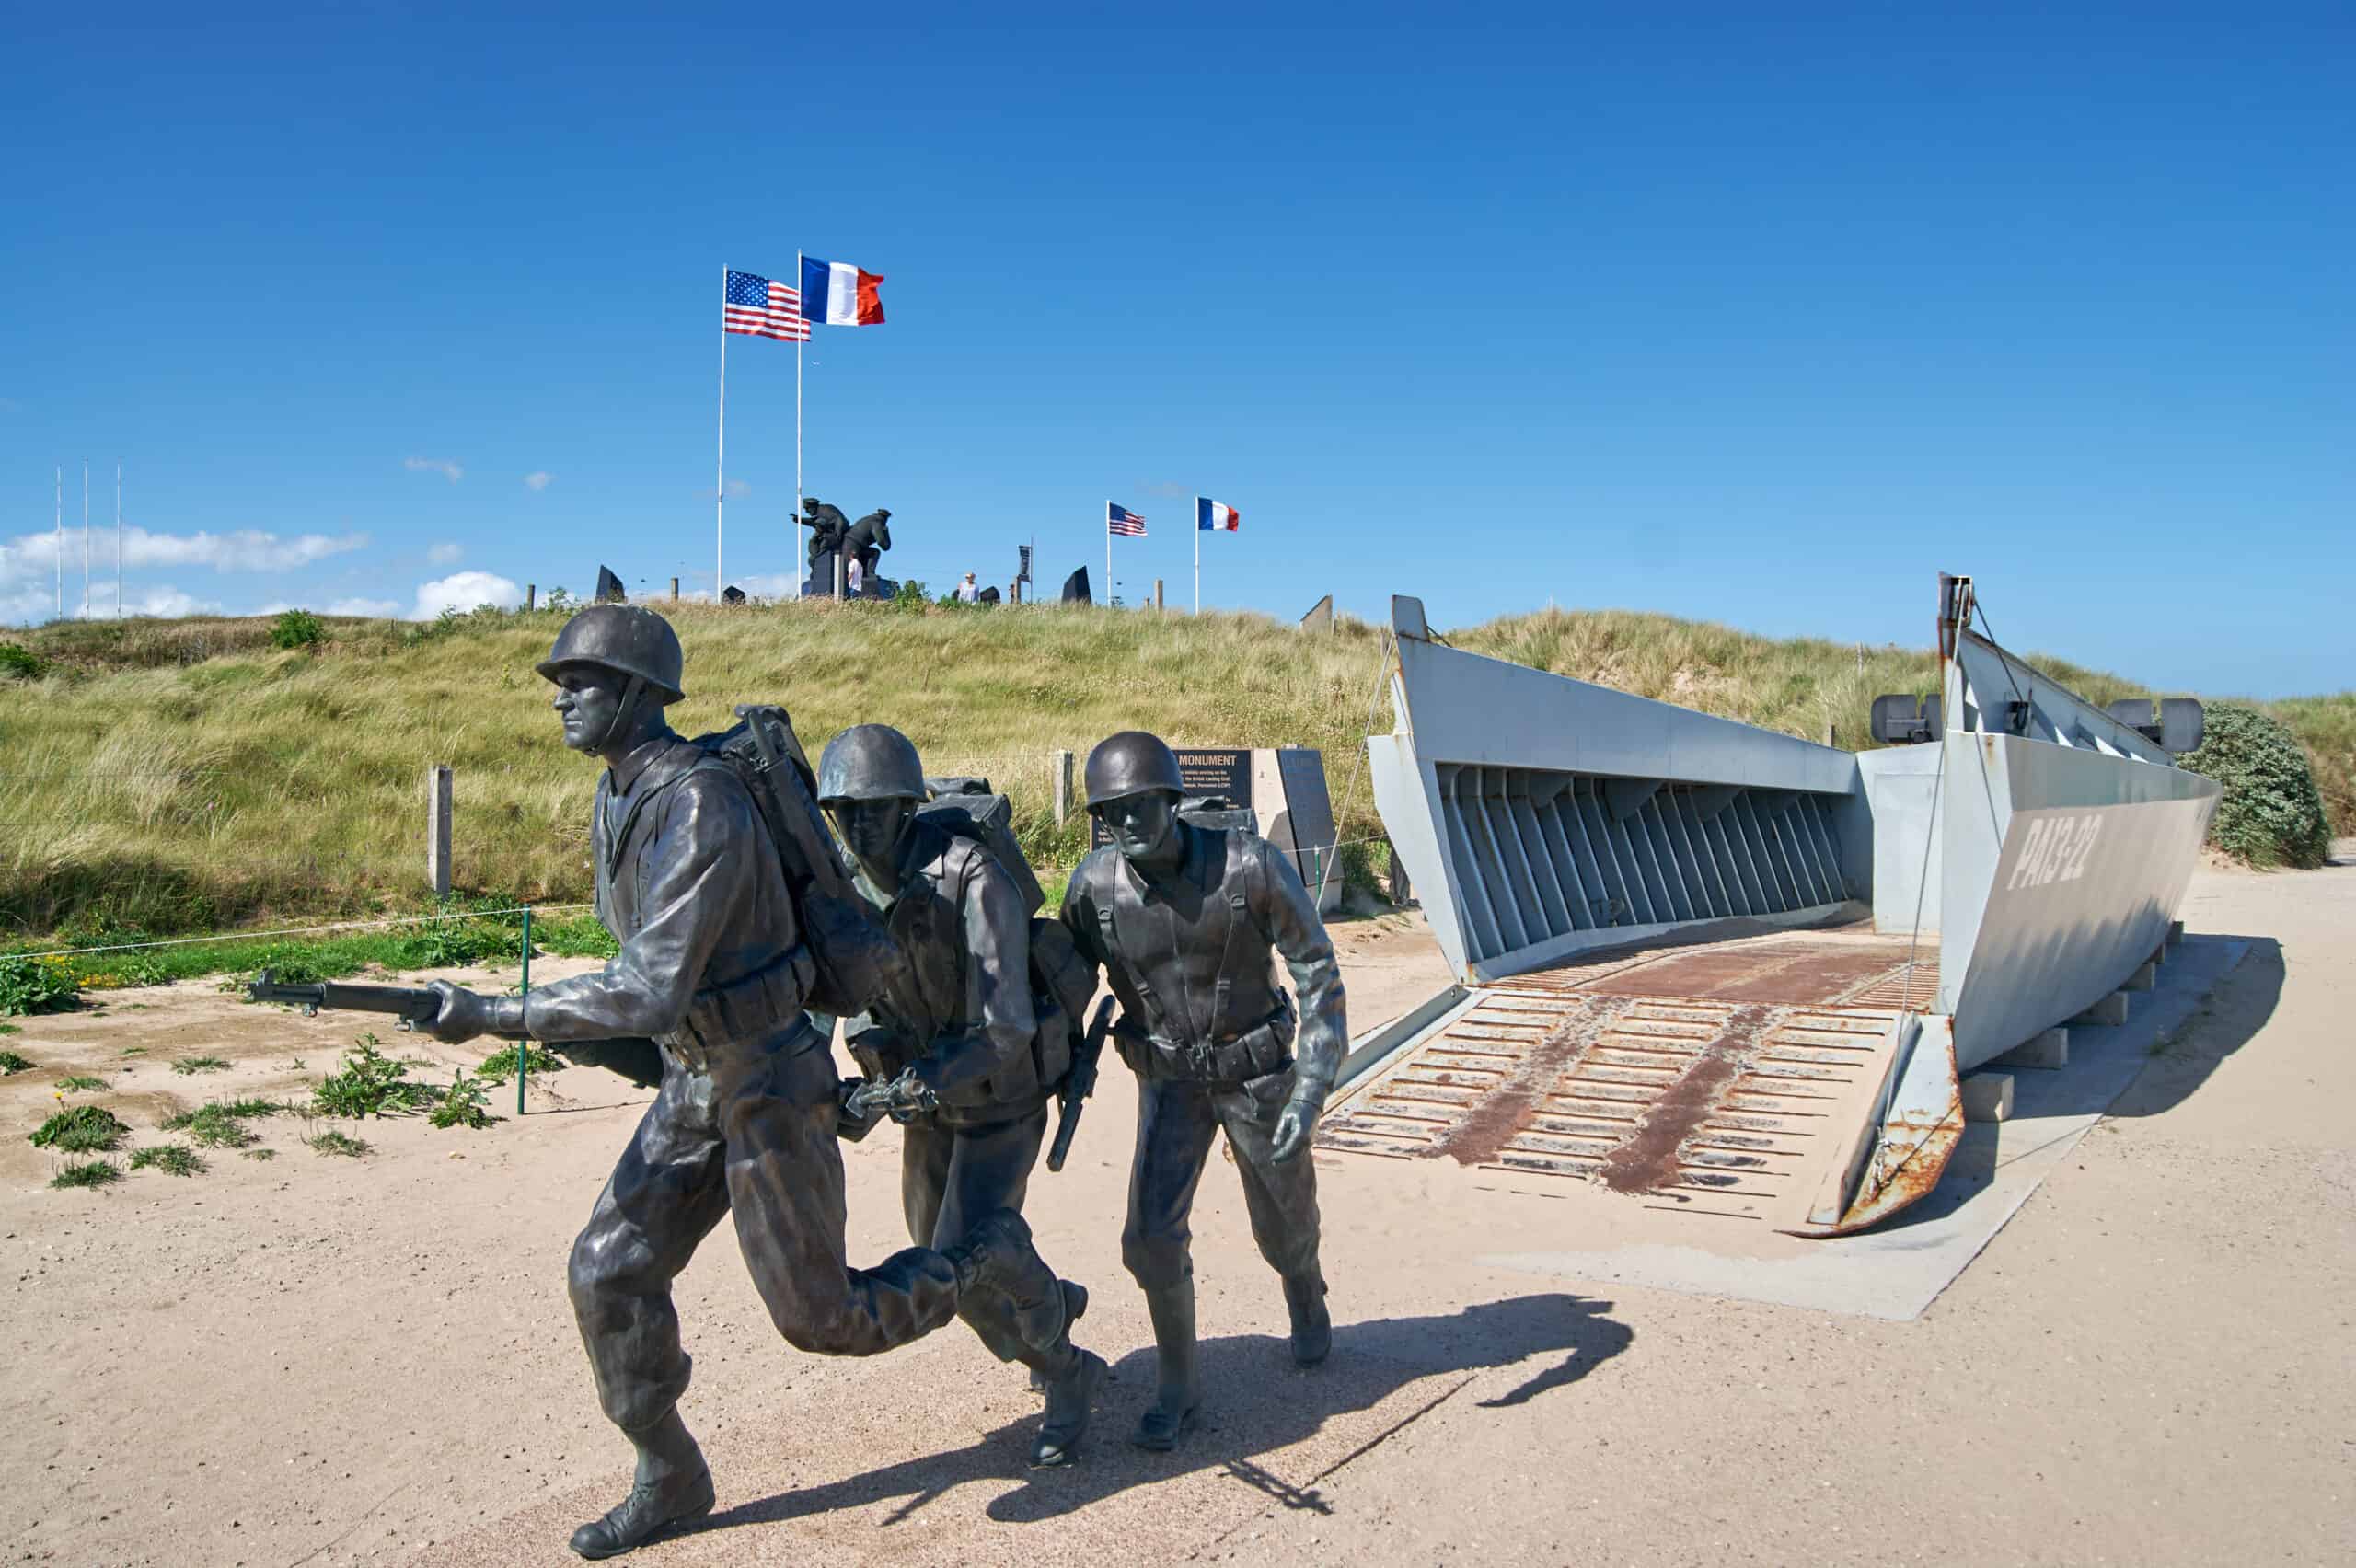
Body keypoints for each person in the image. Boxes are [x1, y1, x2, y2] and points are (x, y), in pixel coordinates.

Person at [422, 604, 1079, 1561]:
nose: (562, 696)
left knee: (826, 1319)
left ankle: (977, 1261)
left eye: (585, 681)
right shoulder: (619, 798)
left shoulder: (701, 804)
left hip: (768, 1079)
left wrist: (493, 1013)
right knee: (608, 1272)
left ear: (642, 695)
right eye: (560, 681)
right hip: (695, 1074)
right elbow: (654, 975)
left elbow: (649, 982)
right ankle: (671, 1474)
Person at [817, 724, 1106, 1466]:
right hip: (927, 1104)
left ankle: (1066, 1372)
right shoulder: (843, 884)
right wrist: (836, 1092)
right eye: (842, 810)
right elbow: (820, 991)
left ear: (909, 805)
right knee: (935, 1253)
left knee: (960, 1274)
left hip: (999, 1098)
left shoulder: (971, 874)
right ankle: (1049, 1298)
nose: (858, 825)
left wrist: (922, 1081)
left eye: (875, 807)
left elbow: (1005, 1024)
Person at [1058, 731, 1346, 1451]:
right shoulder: (1095, 887)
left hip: (1258, 1074)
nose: (1125, 824)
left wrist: (1311, 1088)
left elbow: (1318, 973)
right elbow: (1060, 986)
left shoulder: (1251, 865)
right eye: (1110, 811)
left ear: (1171, 798)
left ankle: (1304, 1287)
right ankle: (1179, 1386)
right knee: (1149, 1240)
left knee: (1285, 1224)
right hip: (1172, 1087)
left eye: (1139, 806)